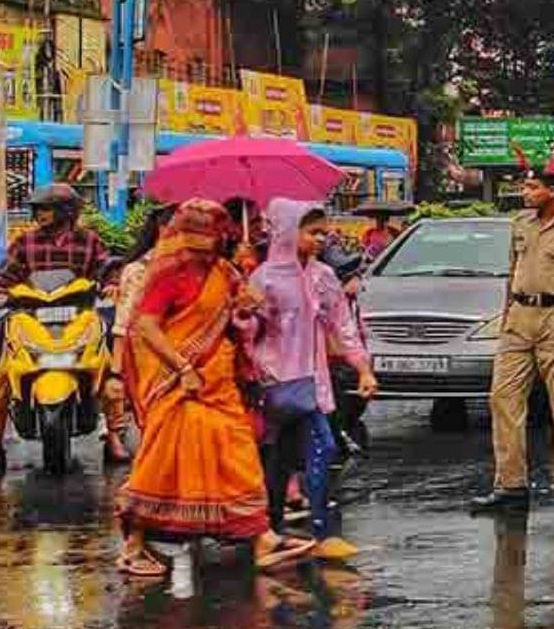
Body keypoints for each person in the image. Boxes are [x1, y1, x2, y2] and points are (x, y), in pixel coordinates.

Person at [116, 199, 313, 576]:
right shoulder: (167, 273)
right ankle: (134, 545)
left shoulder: (226, 271)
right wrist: (182, 367)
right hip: (178, 384)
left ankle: (262, 538)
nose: (202, 246)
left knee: (239, 457)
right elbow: (146, 327)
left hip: (220, 383)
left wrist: (247, 305)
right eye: (195, 237)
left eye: (210, 237)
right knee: (164, 464)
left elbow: (244, 320)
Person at [251, 199, 379, 560]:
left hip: (313, 383)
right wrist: (248, 312)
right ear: (289, 232)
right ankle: (272, 531)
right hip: (274, 381)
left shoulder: (323, 277)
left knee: (324, 448)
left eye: (324, 232)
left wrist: (363, 368)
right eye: (312, 232)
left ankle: (322, 531)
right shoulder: (264, 279)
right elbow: (247, 334)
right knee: (279, 459)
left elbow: (343, 326)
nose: (321, 239)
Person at [0, 183, 124, 471]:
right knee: (3, 366)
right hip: (32, 315)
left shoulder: (89, 240)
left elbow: (105, 269)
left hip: (78, 314)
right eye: (38, 209)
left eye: (46, 209)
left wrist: (111, 286)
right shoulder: (26, 241)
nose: (39, 214)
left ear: (66, 211)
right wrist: (0, 294)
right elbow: (7, 274)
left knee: (108, 363)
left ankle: (115, 434)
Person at [472, 172, 554, 514]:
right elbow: (513, 270)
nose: (525, 192)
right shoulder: (521, 223)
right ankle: (511, 484)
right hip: (519, 316)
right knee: (503, 398)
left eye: (532, 187)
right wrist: (506, 314)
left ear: (552, 191)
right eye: (525, 186)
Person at [109, 204, 174, 426]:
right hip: (147, 360)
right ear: (163, 230)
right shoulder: (138, 271)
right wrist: (115, 373)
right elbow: (122, 324)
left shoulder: (205, 268)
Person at [322, 243, 371, 457]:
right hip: (334, 363)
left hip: (349, 361)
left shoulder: (351, 302)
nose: (360, 281)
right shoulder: (332, 302)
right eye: (355, 276)